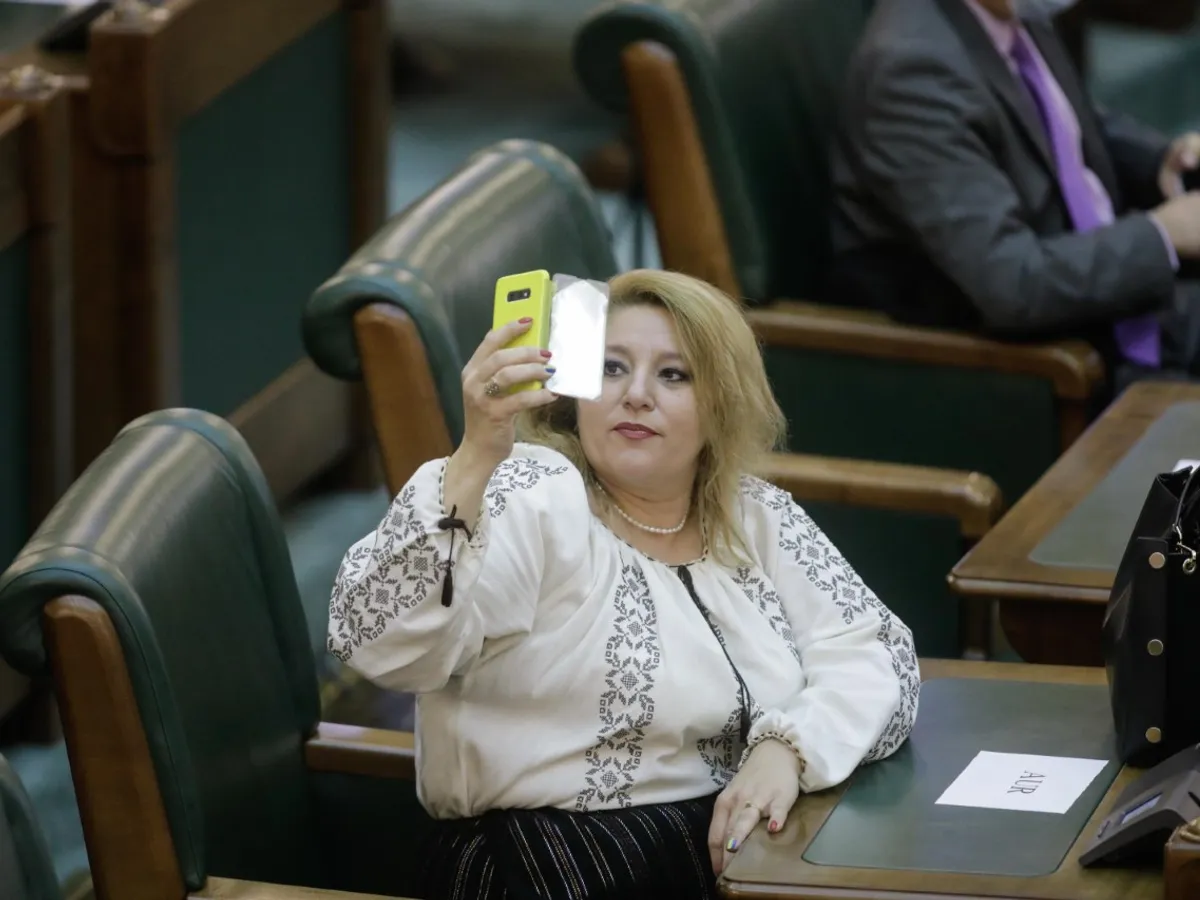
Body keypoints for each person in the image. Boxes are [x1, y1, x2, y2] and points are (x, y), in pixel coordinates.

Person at [328, 269, 919, 899]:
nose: (636, 395)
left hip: (735, 853)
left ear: (721, 404)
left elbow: (877, 652)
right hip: (553, 867)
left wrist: (788, 751)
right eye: (611, 368)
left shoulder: (749, 513)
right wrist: (476, 455)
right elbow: (380, 640)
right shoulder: (531, 496)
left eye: (674, 375)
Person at [828, 0, 1200, 390]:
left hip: (1121, 300)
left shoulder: (1009, 12)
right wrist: (1162, 235)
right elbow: (1013, 284)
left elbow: (1067, 124)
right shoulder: (911, 71)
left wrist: (1161, 161)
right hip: (1048, 364)